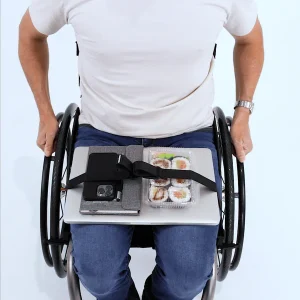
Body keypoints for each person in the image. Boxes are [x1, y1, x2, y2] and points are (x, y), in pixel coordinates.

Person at [19, 0, 264, 299]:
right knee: (98, 273)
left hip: (186, 136)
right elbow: (30, 34)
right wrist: (45, 112)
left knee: (187, 277)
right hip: (103, 135)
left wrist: (243, 112)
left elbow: (250, 38)